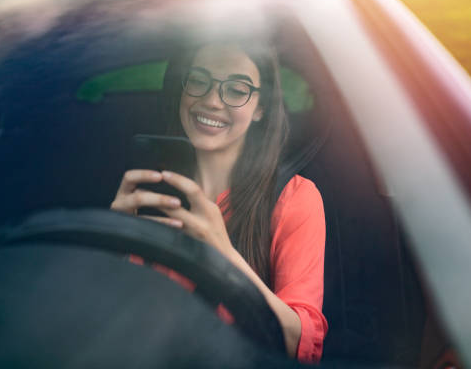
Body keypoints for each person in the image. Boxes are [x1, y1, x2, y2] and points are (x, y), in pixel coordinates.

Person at [110, 40, 327, 363]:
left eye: (237, 90)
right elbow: (112, 319)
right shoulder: (150, 189)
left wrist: (222, 251)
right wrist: (109, 241)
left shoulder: (294, 197)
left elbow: (301, 344)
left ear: (261, 108)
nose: (211, 100)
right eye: (198, 81)